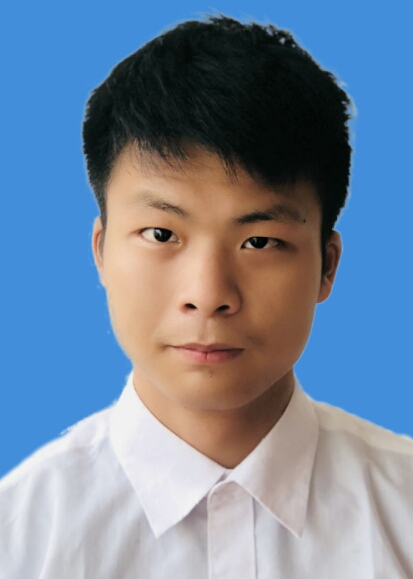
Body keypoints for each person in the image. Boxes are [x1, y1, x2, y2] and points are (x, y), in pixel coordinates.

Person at [1, 12, 412, 579]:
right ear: (100, 251)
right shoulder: (18, 540)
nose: (208, 295)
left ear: (327, 266)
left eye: (259, 241)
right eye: (161, 234)